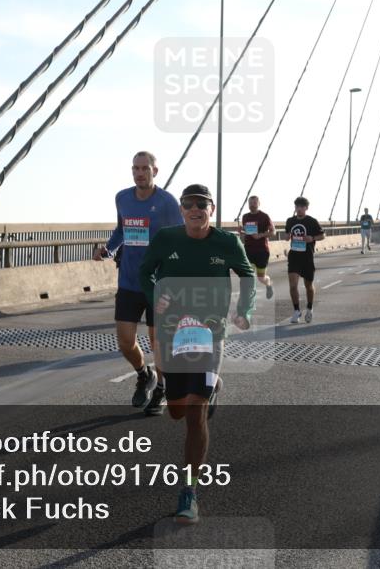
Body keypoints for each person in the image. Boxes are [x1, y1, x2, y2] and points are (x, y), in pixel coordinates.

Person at [139, 184, 255, 524]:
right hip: (172, 331)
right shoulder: (166, 239)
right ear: (181, 210)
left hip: (210, 332)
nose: (195, 209)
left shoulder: (227, 242)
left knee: (194, 411)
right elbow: (145, 271)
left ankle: (189, 491)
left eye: (201, 204)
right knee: (175, 410)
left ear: (212, 209)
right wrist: (154, 294)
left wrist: (244, 310)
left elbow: (247, 275)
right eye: (188, 204)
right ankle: (212, 386)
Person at [93, 151, 182, 416]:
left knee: (158, 344)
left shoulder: (167, 202)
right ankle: (145, 374)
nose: (139, 173)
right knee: (125, 342)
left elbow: (179, 238)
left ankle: (162, 390)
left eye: (144, 168)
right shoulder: (122, 198)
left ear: (156, 171)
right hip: (130, 280)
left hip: (159, 283)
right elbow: (121, 230)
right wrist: (108, 250)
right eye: (135, 168)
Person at [285, 197, 325, 323]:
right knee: (293, 285)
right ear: (295, 207)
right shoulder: (290, 221)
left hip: (307, 256)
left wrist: (312, 238)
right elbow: (287, 234)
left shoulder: (312, 221)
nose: (299, 209)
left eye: (302, 207)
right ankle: (296, 311)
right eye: (297, 207)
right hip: (294, 256)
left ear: (306, 208)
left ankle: (309, 308)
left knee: (308, 285)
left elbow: (322, 235)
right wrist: (286, 236)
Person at [239, 196, 275, 300]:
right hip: (248, 250)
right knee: (248, 276)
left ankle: (268, 284)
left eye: (254, 202)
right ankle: (248, 298)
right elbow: (247, 232)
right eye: (250, 202)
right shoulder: (245, 217)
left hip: (262, 251)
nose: (252, 204)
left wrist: (260, 235)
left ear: (259, 204)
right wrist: (241, 231)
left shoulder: (264, 216)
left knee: (261, 277)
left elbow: (273, 232)